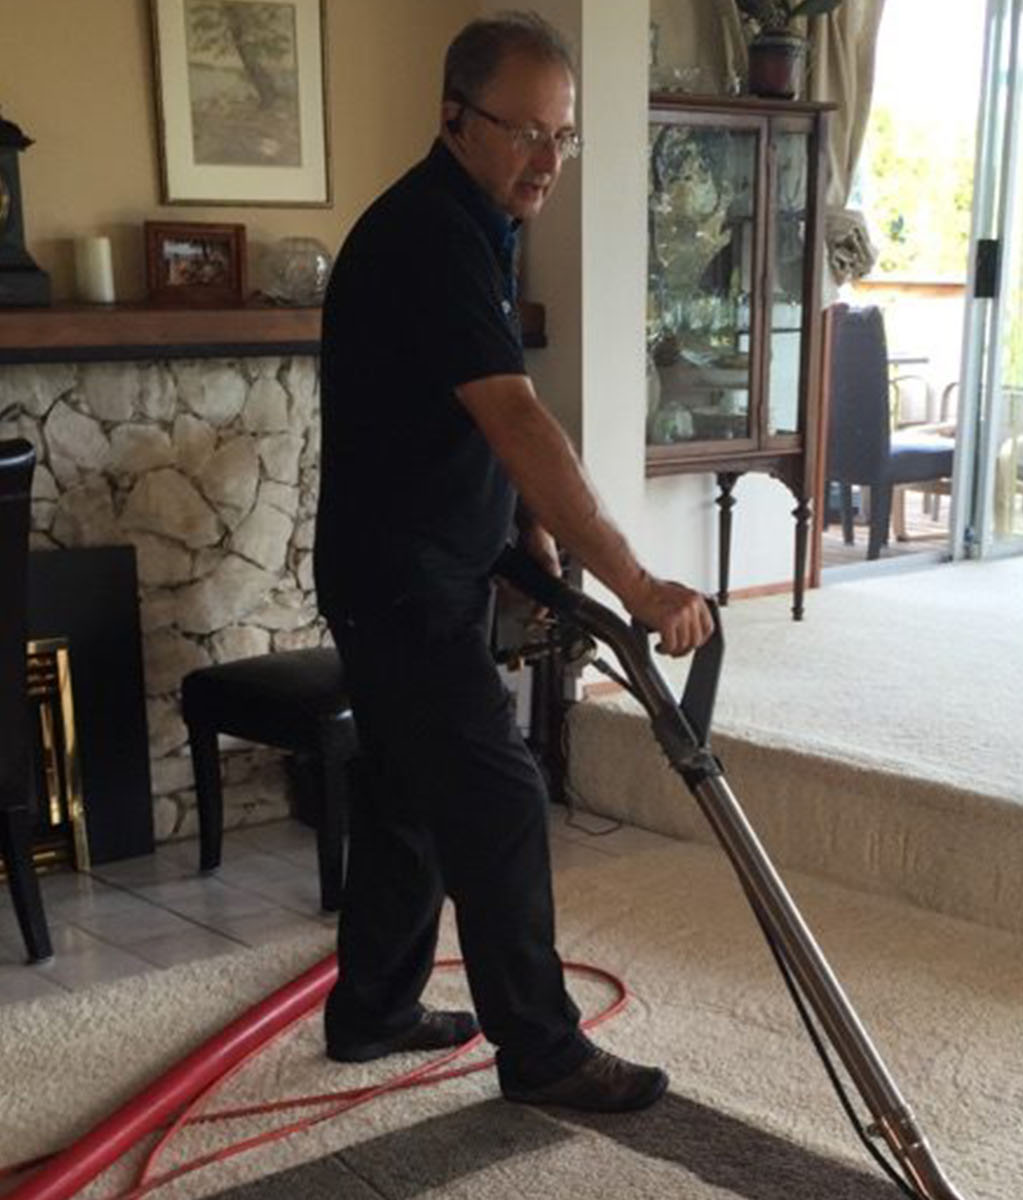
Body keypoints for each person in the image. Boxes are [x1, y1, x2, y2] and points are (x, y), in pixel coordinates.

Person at [313, 12, 714, 1113]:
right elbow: (517, 418)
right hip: (402, 579)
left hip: (414, 560)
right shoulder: (431, 237)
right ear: (454, 117)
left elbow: (454, 424)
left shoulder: (474, 220)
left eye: (563, 137)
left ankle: (374, 1011)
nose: (548, 160)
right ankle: (540, 1051)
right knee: (495, 798)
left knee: (405, 798)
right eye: (526, 132)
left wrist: (524, 540)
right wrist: (638, 585)